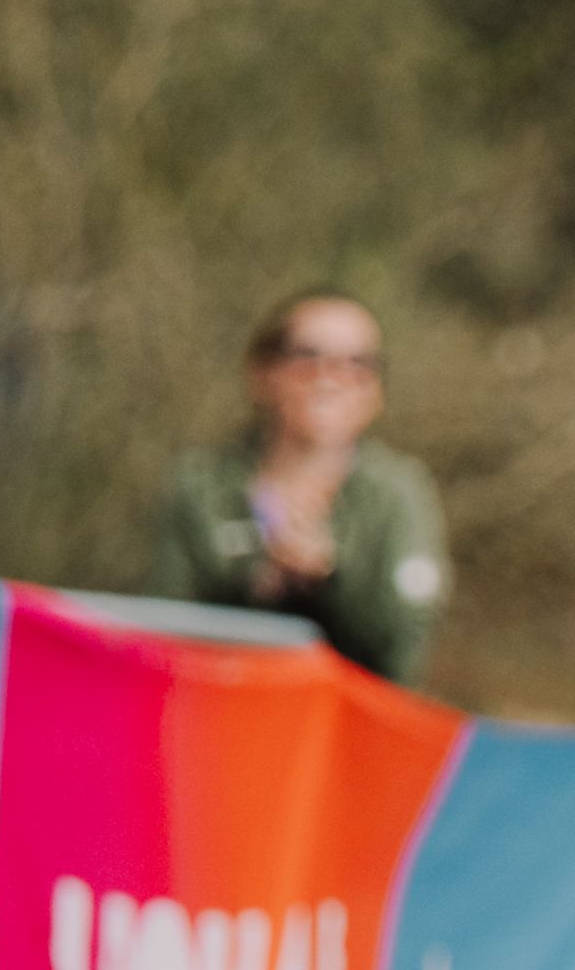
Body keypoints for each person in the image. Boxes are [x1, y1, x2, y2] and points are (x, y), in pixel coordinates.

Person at [148, 291, 450, 685]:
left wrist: (329, 579)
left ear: (377, 390)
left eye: (357, 364)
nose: (330, 379)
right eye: (308, 357)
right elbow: (159, 633)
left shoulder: (401, 495)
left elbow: (401, 654)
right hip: (218, 716)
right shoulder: (200, 486)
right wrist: (258, 584)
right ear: (263, 372)